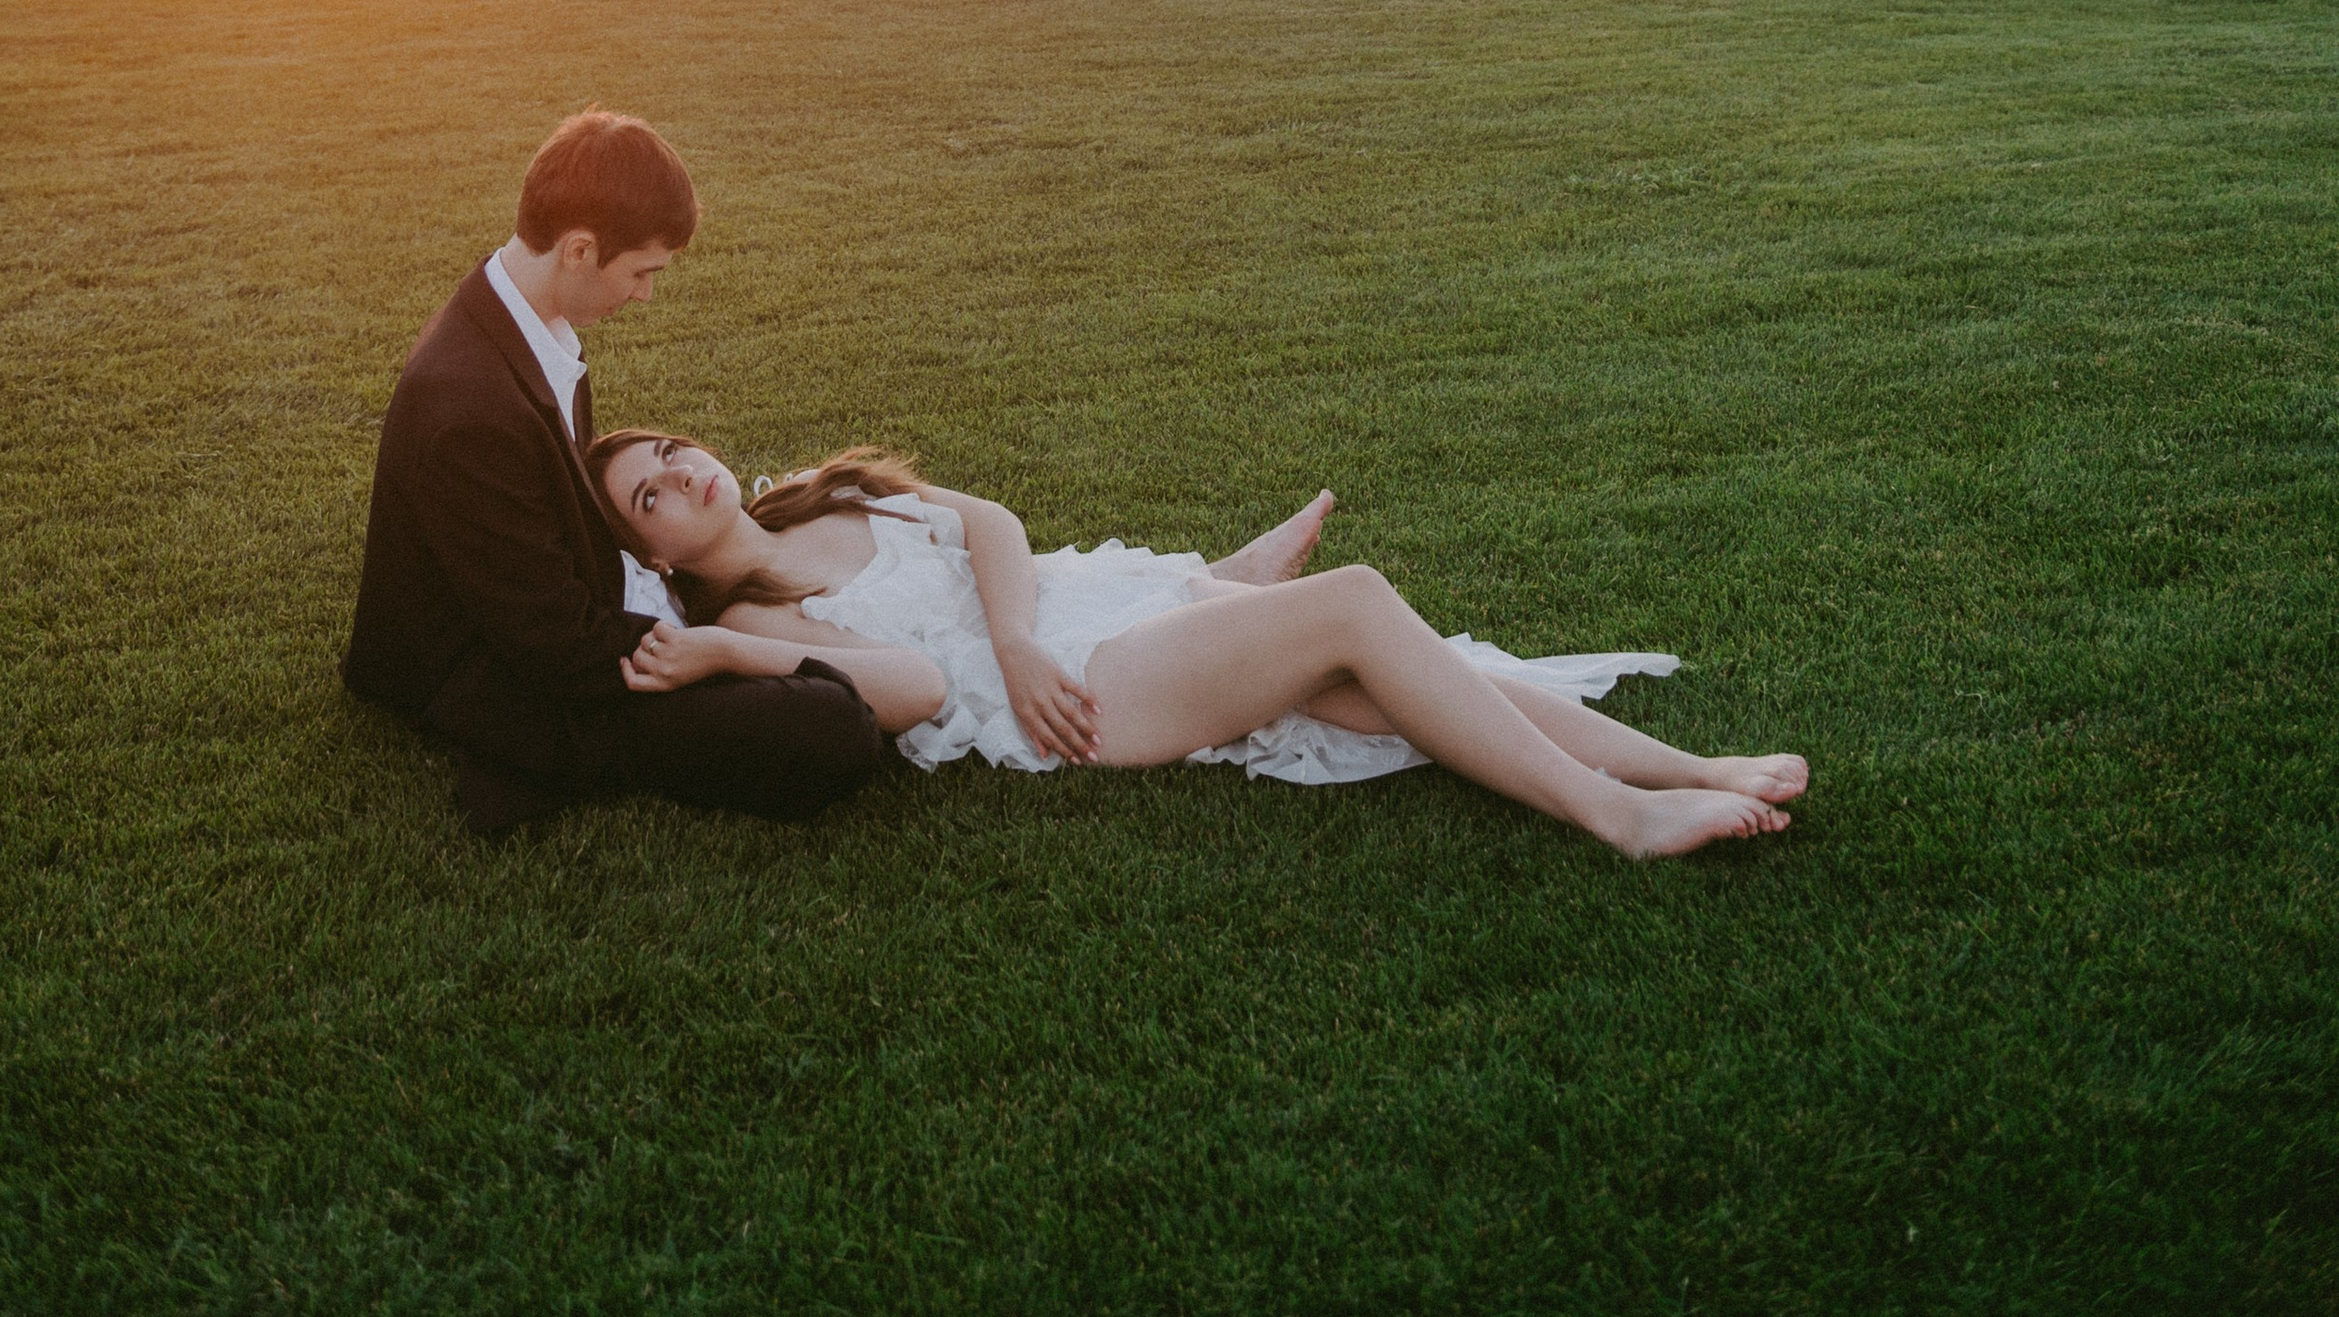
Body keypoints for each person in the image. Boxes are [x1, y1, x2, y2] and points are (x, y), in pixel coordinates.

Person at [590, 436, 1805, 859]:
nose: (677, 477)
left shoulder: (827, 498)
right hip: (1073, 697)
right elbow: (908, 689)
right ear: (664, 561)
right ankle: (1614, 814)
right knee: (1355, 605)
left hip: (1061, 623)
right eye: (648, 498)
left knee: (1382, 685)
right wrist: (730, 661)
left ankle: (1683, 767)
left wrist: (1011, 627)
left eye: (666, 453)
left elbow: (990, 524)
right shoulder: (751, 618)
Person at [342, 109, 886, 838]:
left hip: (561, 609)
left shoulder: (530, 322)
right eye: (640, 272)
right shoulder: (468, 408)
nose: (644, 295)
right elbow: (552, 647)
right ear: (577, 248)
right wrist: (708, 652)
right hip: (493, 676)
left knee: (823, 699)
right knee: (831, 725)